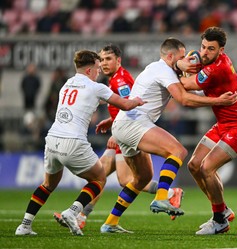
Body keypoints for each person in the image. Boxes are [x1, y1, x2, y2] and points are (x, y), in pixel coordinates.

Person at [97, 37, 237, 233]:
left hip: (124, 123)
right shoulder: (163, 70)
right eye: (182, 57)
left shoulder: (159, 69)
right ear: (171, 56)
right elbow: (184, 100)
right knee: (178, 151)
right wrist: (218, 101)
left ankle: (110, 223)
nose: (186, 60)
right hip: (134, 124)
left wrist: (113, 121)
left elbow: (187, 93)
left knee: (142, 178)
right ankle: (162, 197)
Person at [52, 45, 184, 231]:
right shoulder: (113, 79)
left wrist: (115, 131)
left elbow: (129, 106)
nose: (104, 63)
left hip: (125, 132)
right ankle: (81, 215)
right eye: (102, 60)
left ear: (118, 61)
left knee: (120, 178)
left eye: (108, 59)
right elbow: (123, 106)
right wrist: (110, 120)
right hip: (121, 130)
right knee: (105, 175)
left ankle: (169, 192)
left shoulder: (121, 80)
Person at [15, 50, 145, 236]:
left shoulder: (66, 84)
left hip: (52, 140)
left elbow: (83, 103)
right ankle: (73, 212)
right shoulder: (95, 87)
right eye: (98, 68)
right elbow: (125, 104)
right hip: (74, 142)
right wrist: (139, 100)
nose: (99, 72)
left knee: (47, 185)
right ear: (90, 69)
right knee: (99, 179)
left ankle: (24, 225)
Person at [179, 26, 237, 235]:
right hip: (224, 124)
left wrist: (178, 66)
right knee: (194, 165)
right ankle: (222, 211)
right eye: (203, 47)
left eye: (211, 49)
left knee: (207, 168)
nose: (204, 52)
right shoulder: (211, 63)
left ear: (221, 50)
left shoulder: (217, 69)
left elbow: (186, 85)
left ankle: (219, 220)